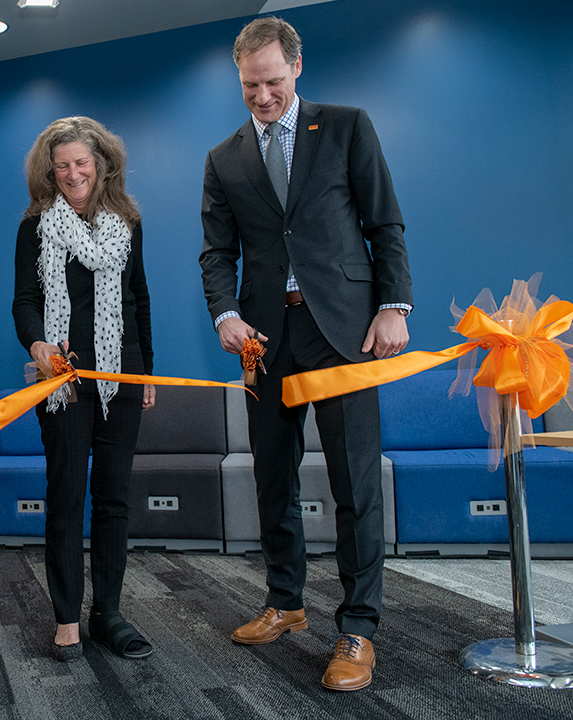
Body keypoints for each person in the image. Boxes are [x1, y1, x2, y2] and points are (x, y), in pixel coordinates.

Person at [200, 17, 412, 691]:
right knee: (273, 478)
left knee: (354, 482)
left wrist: (393, 307)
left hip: (345, 332)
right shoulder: (224, 156)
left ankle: (357, 628)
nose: (262, 97)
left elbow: (385, 222)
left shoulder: (347, 126)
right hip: (267, 340)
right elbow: (217, 252)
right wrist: (226, 314)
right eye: (249, 86)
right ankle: (286, 602)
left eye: (272, 82)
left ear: (297, 68)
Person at [13, 117, 156, 662]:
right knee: (68, 496)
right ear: (50, 171)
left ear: (102, 165)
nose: (73, 173)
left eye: (82, 162)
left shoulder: (128, 222)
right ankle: (68, 617)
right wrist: (38, 347)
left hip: (122, 376)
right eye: (63, 165)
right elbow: (25, 300)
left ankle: (109, 614)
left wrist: (145, 374)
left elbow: (139, 299)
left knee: (115, 499)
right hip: (64, 381)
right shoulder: (36, 226)